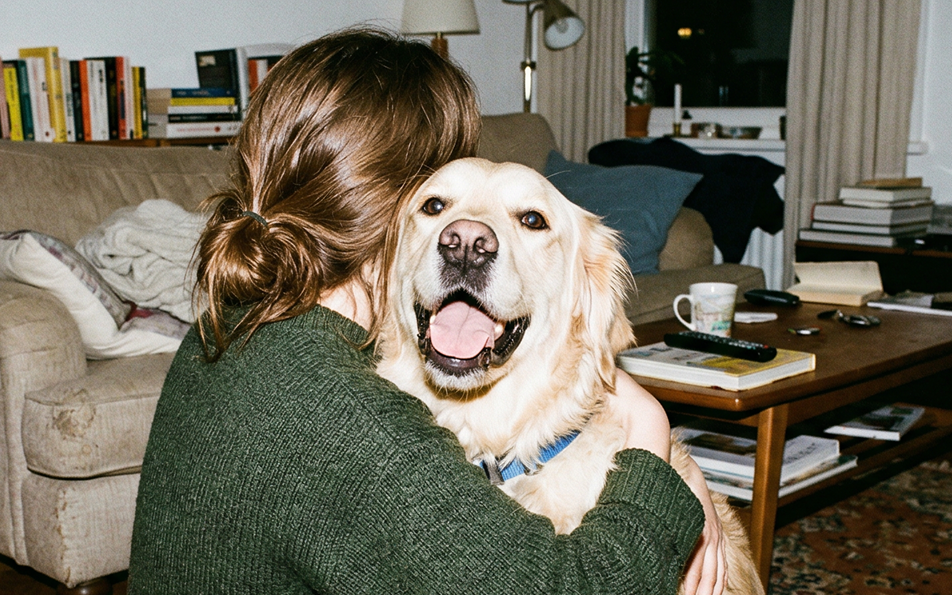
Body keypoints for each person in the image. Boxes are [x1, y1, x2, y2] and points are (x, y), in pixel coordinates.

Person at [129, 27, 724, 595]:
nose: (470, 232)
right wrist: (653, 434)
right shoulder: (340, 416)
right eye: (437, 201)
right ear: (386, 213)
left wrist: (615, 388)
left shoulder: (239, 321)